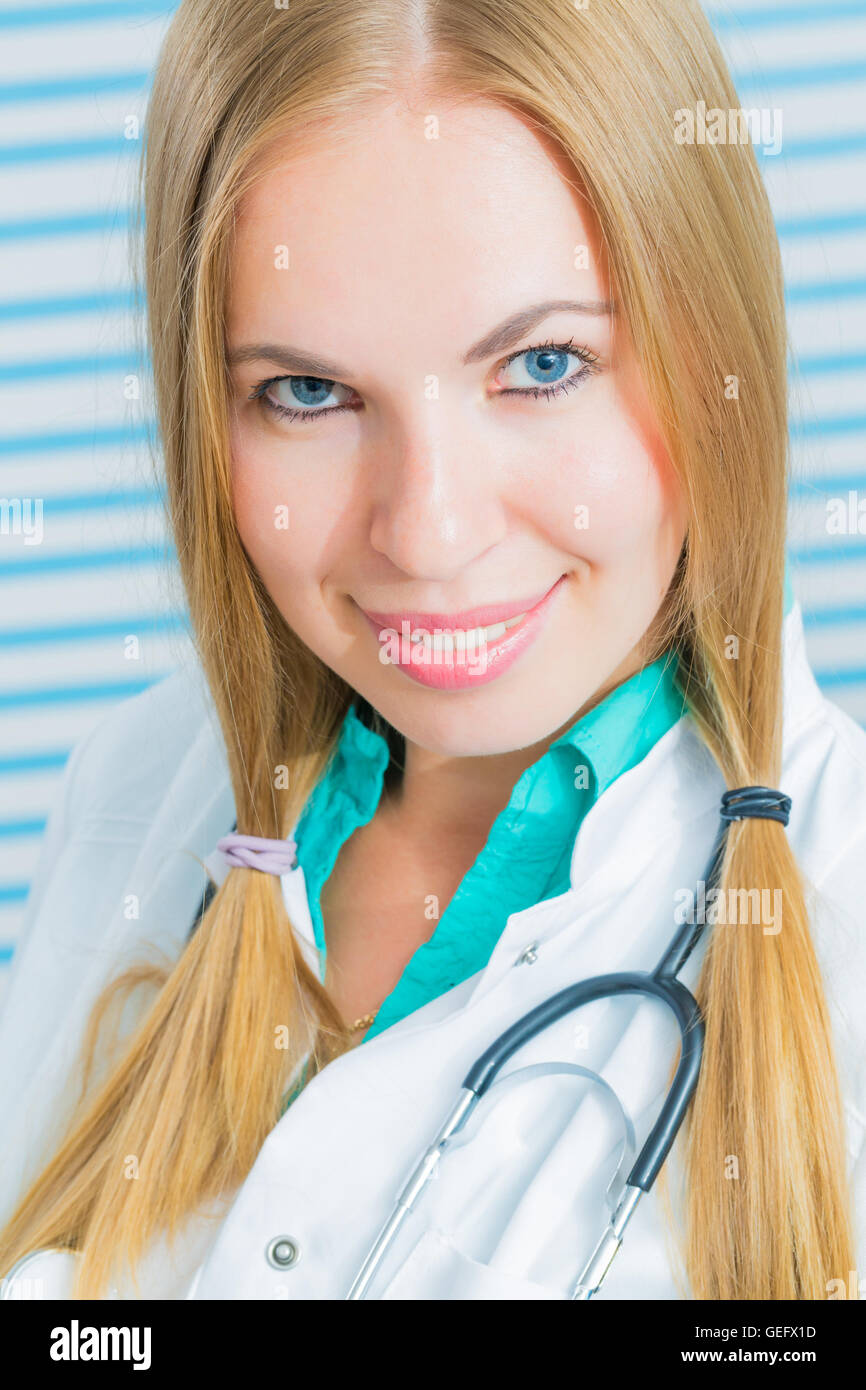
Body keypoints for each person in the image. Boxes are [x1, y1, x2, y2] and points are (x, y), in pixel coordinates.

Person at [0, 0, 864, 1302]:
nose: (430, 532)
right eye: (307, 392)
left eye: (542, 362)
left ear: (715, 348)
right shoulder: (134, 786)